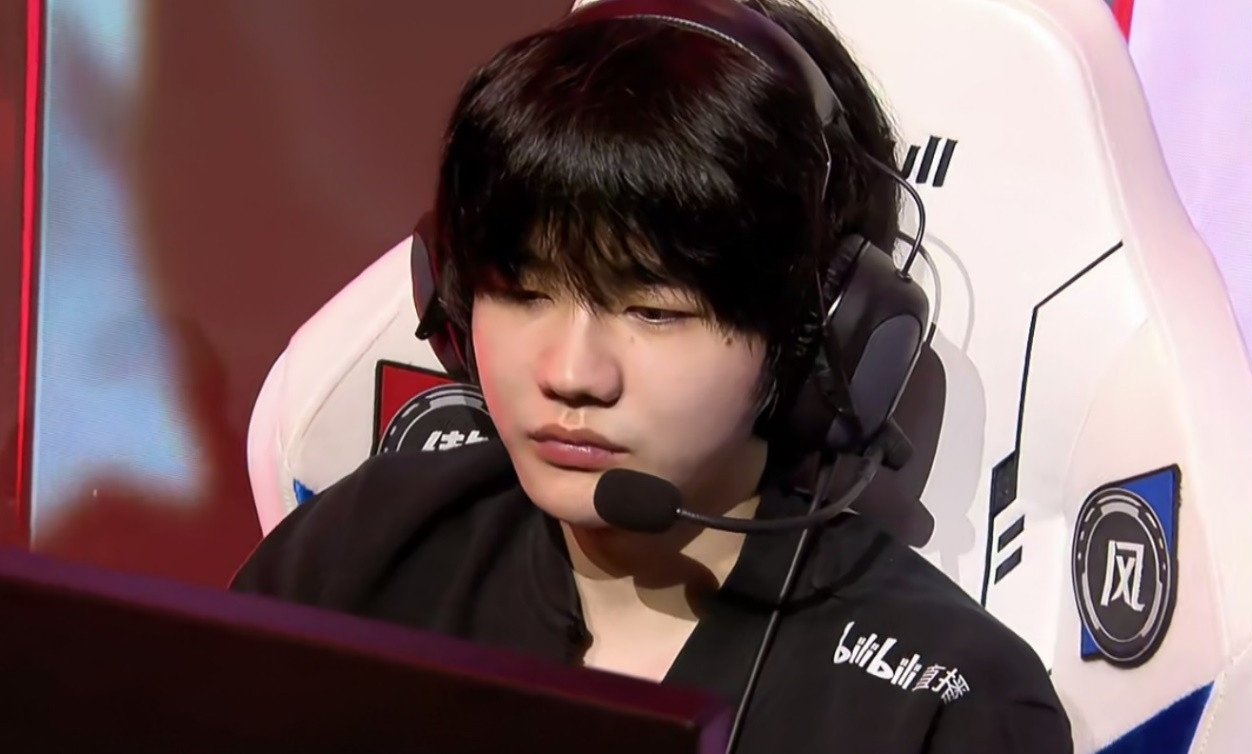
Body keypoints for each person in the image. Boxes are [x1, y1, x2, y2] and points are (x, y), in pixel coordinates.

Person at [231, 0, 1073, 751]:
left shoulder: (946, 705)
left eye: (653, 311)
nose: (571, 374)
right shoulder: (362, 552)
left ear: (812, 333)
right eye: (521, 292)